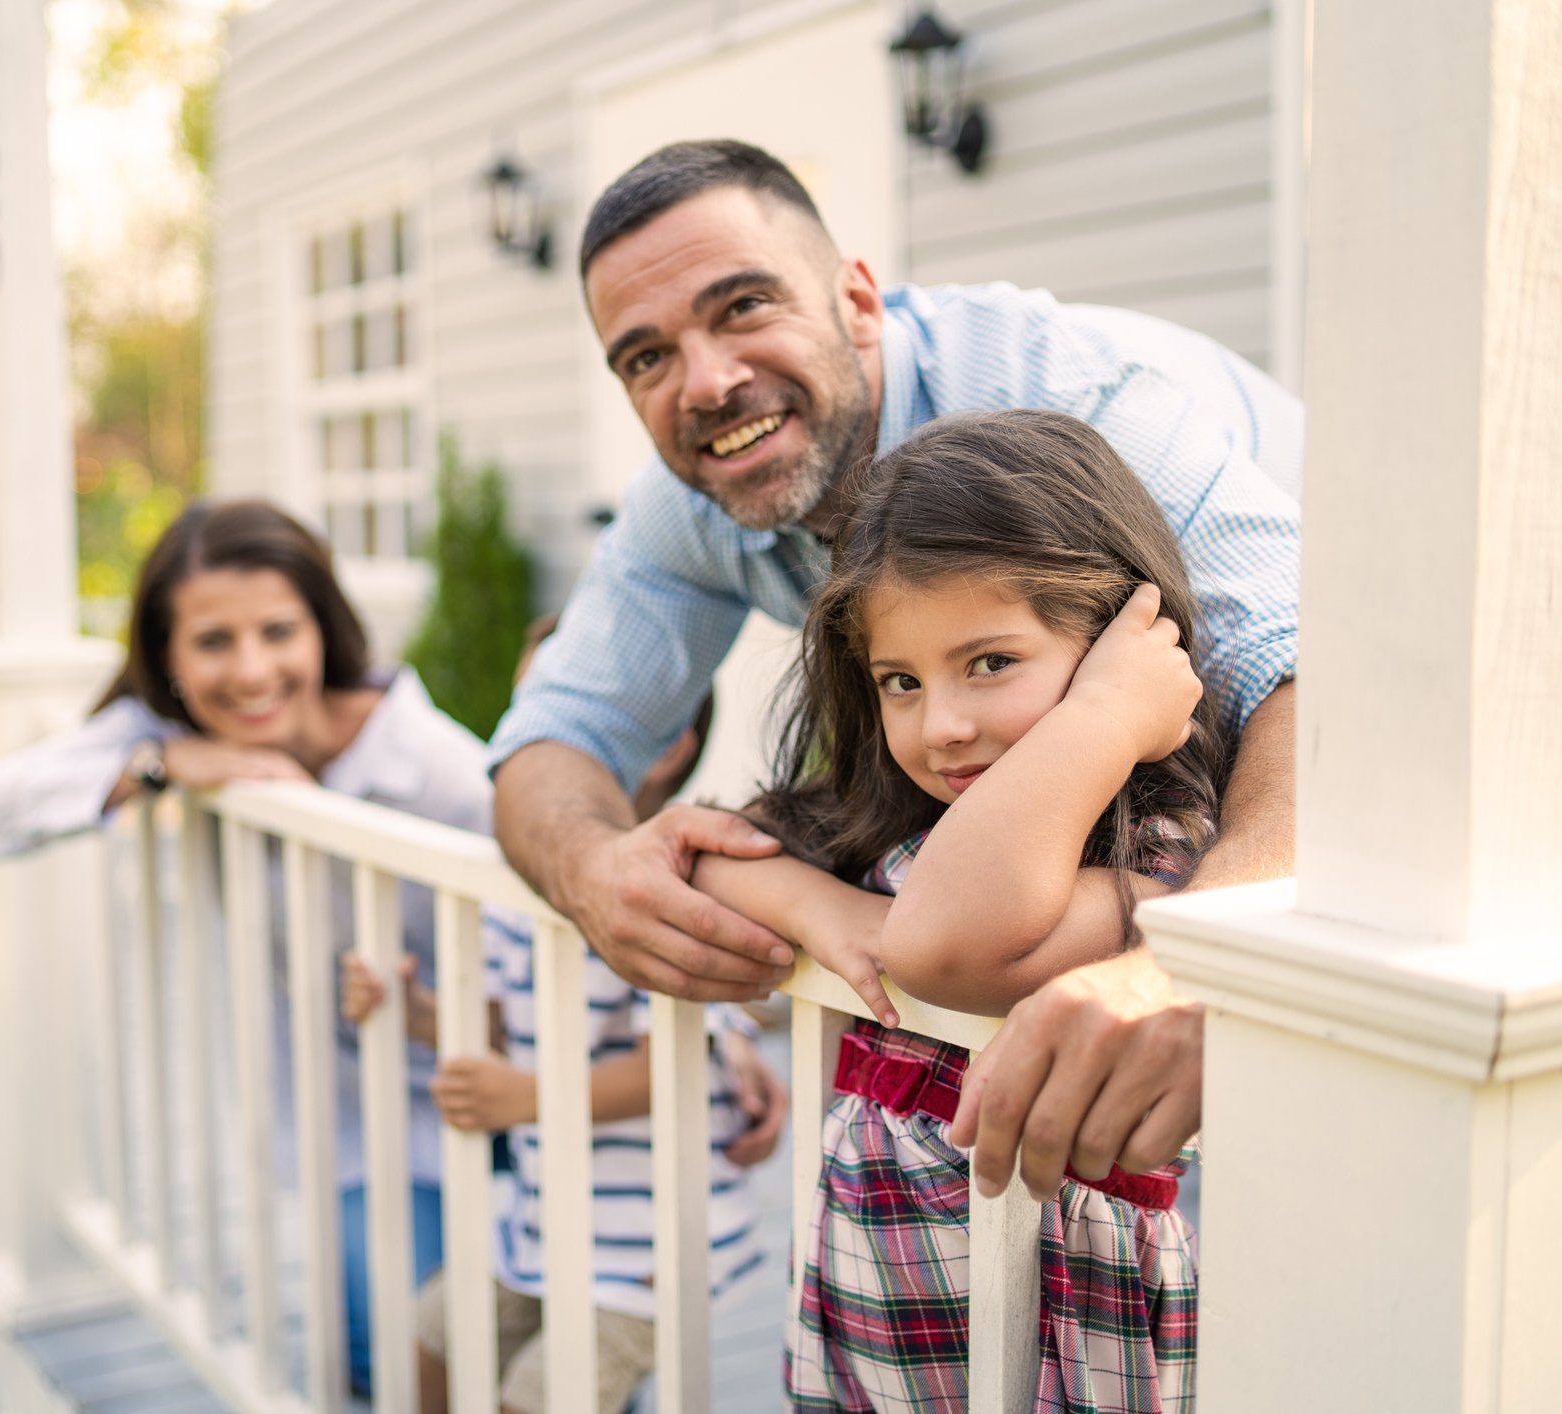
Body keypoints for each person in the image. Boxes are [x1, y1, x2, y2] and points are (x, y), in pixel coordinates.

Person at [487, 138, 1300, 1200]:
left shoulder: (1070, 400)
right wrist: (594, 871)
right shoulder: (689, 497)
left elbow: (1317, 688)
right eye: (645, 356)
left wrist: (1202, 973)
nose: (708, 383)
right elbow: (553, 739)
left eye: (742, 307)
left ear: (857, 301)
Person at [690, 410, 1215, 1410]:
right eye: (901, 680)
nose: (944, 726)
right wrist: (818, 904)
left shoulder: (1152, 861)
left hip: (1052, 1319)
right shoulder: (902, 834)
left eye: (988, 663)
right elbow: (712, 853)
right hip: (878, 1306)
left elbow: (935, 944)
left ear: (1120, 647)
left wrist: (1106, 715)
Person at [0, 499, 490, 1396]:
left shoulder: (426, 762)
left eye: (278, 631)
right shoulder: (173, 737)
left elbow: (560, 896)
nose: (250, 671)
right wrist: (161, 766)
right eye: (212, 643)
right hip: (363, 1128)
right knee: (374, 1353)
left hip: (516, 1097)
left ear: (323, 627)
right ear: (166, 657)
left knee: (524, 1360)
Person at [343, 615, 778, 1414]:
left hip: (647, 1246)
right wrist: (418, 1013)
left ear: (669, 739)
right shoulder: (531, 879)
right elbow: (517, 1024)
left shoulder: (681, 879)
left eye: (554, 705)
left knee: (540, 1397)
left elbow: (673, 1068)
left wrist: (525, 1098)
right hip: (545, 1218)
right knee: (430, 1341)